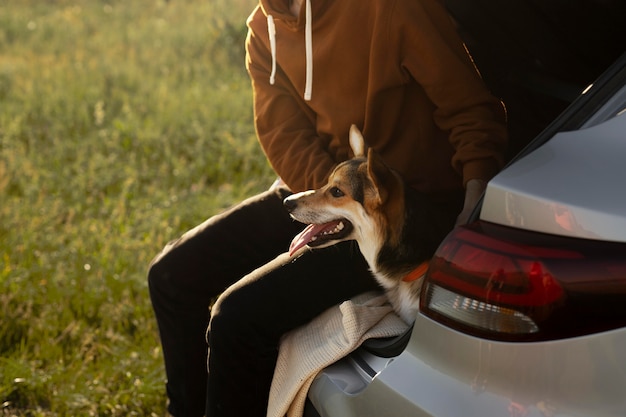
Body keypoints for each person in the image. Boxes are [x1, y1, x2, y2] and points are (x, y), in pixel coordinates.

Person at [147, 0, 508, 415]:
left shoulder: (390, 8)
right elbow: (284, 136)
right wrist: (334, 200)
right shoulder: (264, 29)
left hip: (399, 218)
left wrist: (472, 205)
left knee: (235, 320)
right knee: (170, 277)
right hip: (328, 191)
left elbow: (470, 108)